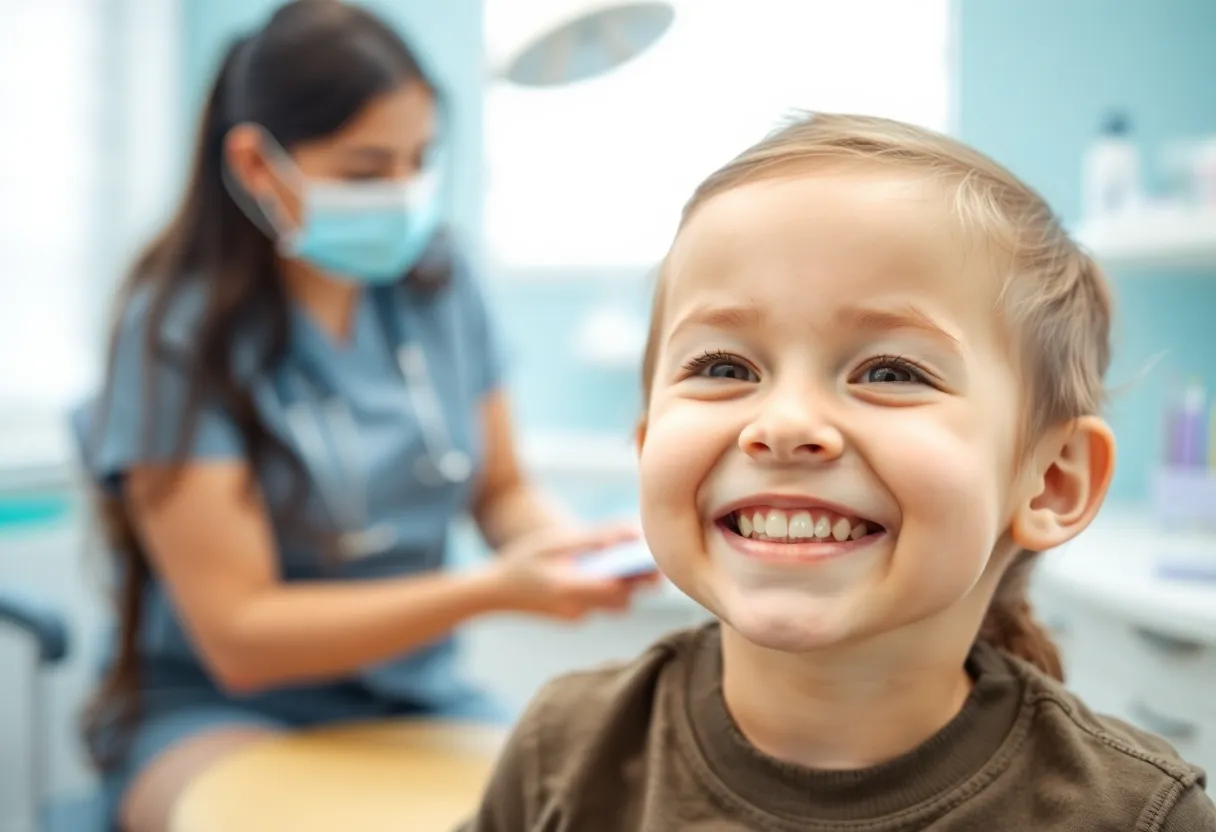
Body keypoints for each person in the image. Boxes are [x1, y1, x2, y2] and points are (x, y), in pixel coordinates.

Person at [460, 112, 1216, 831]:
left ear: (1051, 480)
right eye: (724, 365)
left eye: (889, 372)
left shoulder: (1136, 815)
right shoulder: (563, 751)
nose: (785, 425)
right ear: (648, 436)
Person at [73, 2, 651, 830]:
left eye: (420, 161)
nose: (405, 194)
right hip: (212, 712)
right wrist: (490, 590)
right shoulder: (177, 335)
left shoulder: (443, 283)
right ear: (258, 164)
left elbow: (500, 490)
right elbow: (241, 636)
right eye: (364, 168)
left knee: (582, 803)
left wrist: (566, 549)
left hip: (416, 697)